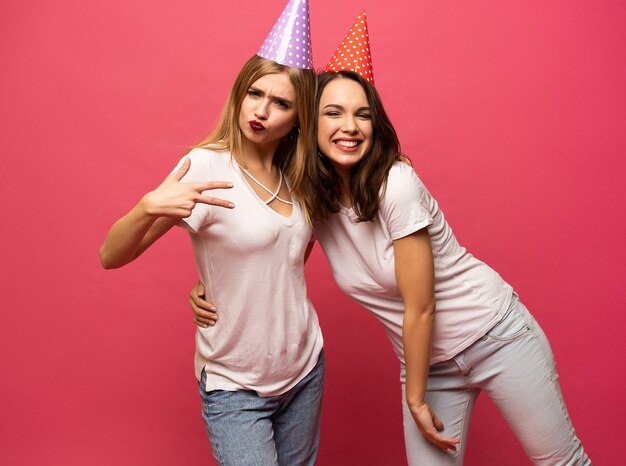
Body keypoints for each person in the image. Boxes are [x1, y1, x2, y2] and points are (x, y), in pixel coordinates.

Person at [190, 12, 590, 465]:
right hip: (428, 364)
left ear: (375, 124)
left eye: (363, 114)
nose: (349, 126)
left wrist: (416, 400)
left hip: (497, 334)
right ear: (309, 124)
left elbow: (421, 305)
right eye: (333, 113)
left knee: (562, 462)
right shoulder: (310, 199)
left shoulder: (394, 184)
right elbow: (272, 255)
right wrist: (212, 282)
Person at [99, 1, 325, 464]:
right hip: (234, 382)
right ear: (239, 93)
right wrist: (146, 207)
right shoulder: (206, 165)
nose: (261, 111)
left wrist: (222, 278)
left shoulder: (298, 175)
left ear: (299, 117)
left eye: (280, 102)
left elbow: (288, 255)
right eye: (254, 93)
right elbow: (111, 256)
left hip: (305, 368)